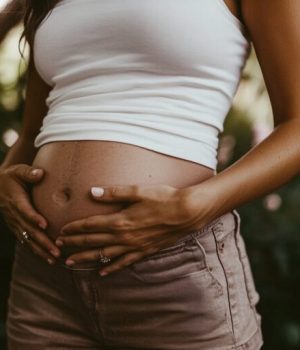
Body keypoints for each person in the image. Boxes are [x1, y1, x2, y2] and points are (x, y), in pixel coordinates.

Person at [1, 0, 299, 348]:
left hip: (174, 273)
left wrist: (197, 205)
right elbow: (33, 132)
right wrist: (5, 176)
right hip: (46, 278)